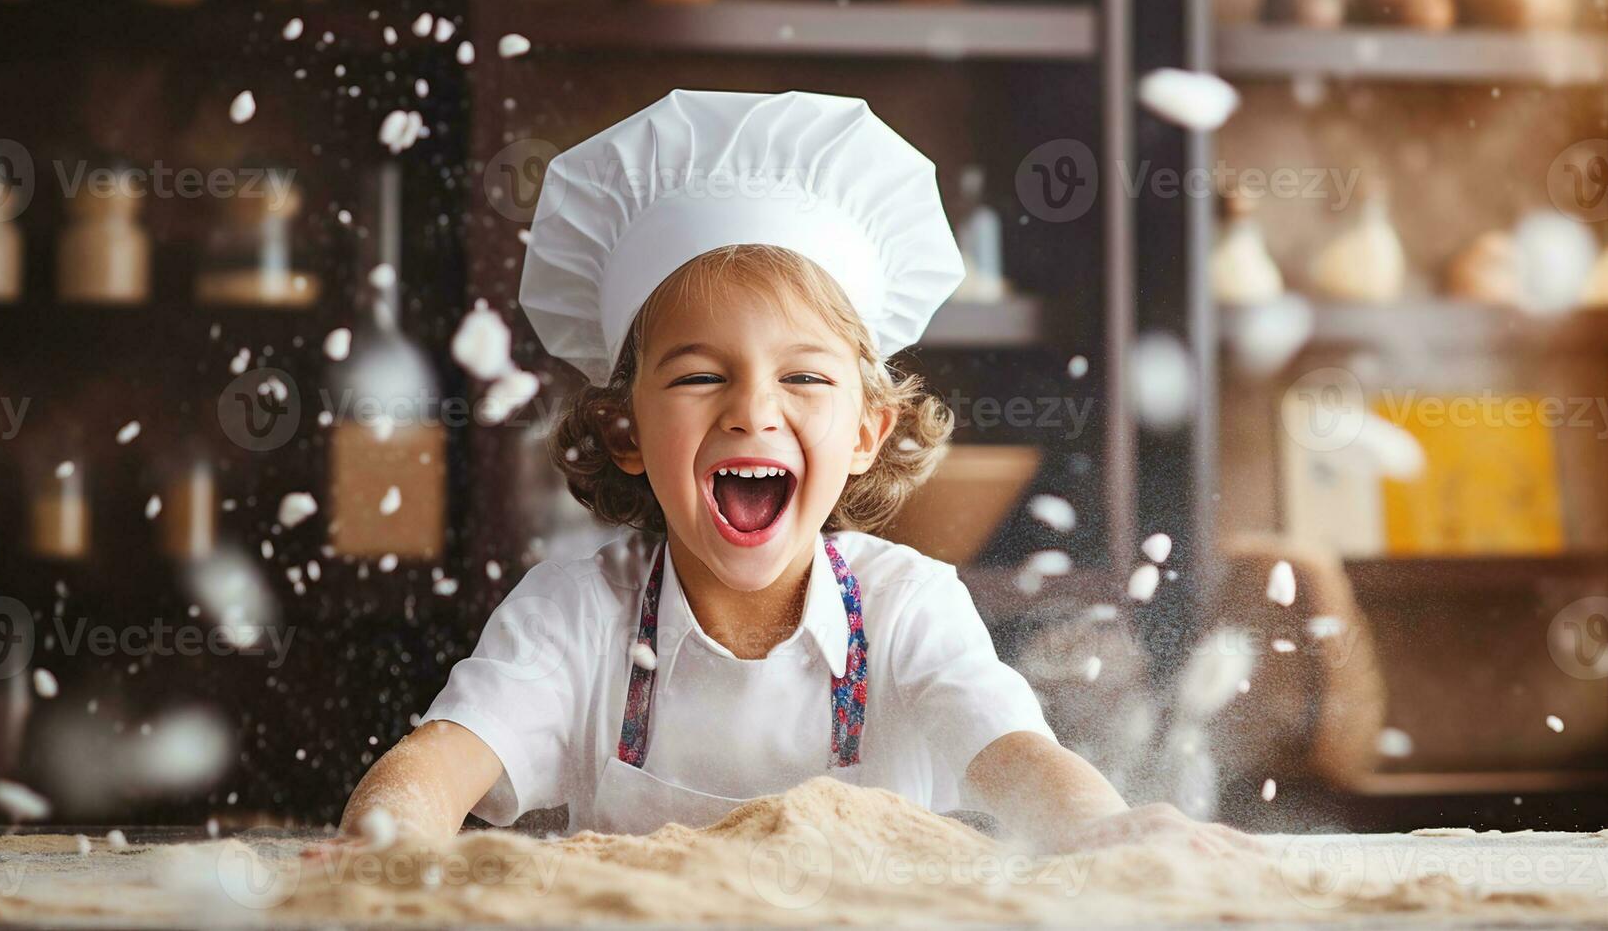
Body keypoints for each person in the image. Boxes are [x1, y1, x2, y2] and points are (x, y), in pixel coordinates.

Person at [329, 90, 1255, 856]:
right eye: (698, 375)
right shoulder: (574, 618)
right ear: (624, 431)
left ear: (864, 430)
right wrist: (387, 844)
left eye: (804, 377)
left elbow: (1014, 757)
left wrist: (1106, 834)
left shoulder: (907, 608)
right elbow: (438, 763)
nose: (752, 410)